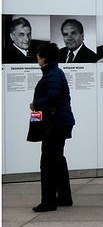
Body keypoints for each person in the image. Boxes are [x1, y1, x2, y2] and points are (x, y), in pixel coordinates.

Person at [29, 42, 75, 212]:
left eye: (39, 55)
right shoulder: (53, 73)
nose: (37, 58)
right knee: (57, 160)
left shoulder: (52, 74)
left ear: (45, 58)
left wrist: (36, 104)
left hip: (55, 123)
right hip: (59, 122)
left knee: (48, 162)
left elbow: (53, 98)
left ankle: (48, 201)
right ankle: (64, 196)